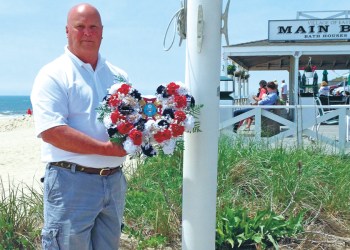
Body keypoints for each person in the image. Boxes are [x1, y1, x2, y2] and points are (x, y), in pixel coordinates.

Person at [31, 3, 128, 249]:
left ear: (102, 31)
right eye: (80, 27)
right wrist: (107, 149)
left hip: (114, 183)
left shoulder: (118, 75)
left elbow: (130, 121)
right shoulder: (53, 74)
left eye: (93, 27)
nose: (87, 32)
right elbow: (52, 132)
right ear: (67, 31)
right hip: (70, 183)